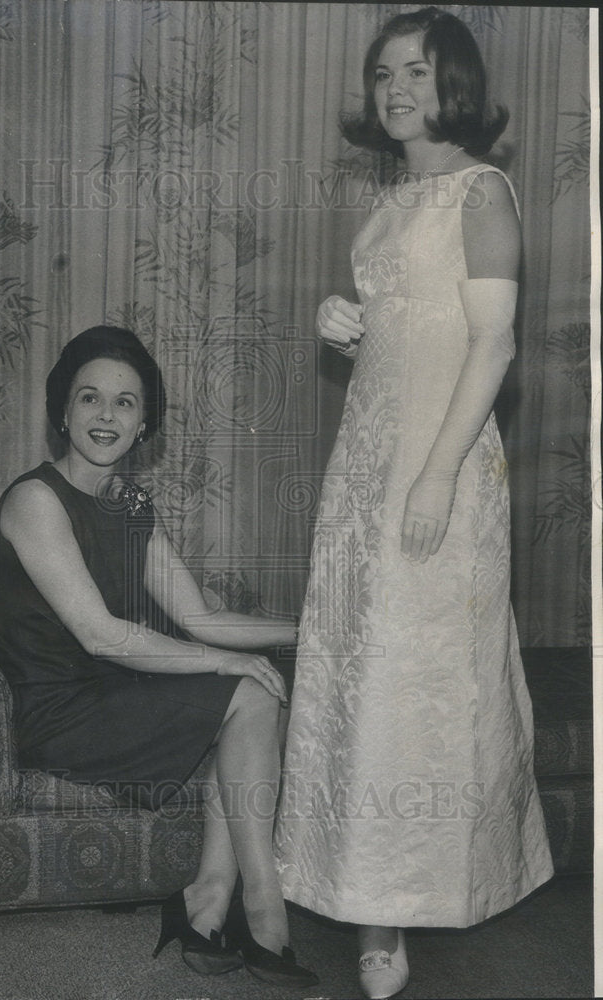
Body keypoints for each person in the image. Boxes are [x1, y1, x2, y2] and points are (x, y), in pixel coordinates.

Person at [273, 8, 554, 999]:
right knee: (361, 673)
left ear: (456, 86)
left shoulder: (482, 193)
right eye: (385, 73)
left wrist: (437, 472)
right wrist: (344, 326)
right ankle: (367, 900)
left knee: (419, 684)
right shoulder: (388, 206)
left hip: (442, 466)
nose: (398, 90)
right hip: (365, 466)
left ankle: (404, 910)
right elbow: (406, 338)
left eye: (418, 74)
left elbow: (493, 348)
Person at [0, 325, 318, 989]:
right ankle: (262, 903)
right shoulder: (34, 500)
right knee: (244, 685)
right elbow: (100, 634)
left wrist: (310, 629)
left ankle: (211, 897)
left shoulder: (131, 502)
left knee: (259, 688)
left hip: (104, 690)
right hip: (53, 707)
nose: (106, 415)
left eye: (126, 403)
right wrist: (222, 663)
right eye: (90, 398)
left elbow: (199, 616)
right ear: (62, 412)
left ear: (144, 425)